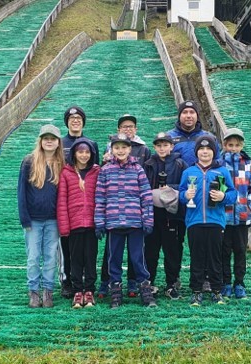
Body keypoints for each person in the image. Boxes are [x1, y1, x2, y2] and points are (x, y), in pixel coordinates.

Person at [95, 133, 156, 308]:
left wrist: (148, 220)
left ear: (130, 149)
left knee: (138, 258)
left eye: (124, 147)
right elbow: (100, 198)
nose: (120, 151)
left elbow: (146, 197)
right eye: (117, 147)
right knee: (114, 259)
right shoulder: (105, 171)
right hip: (114, 223)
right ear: (111, 150)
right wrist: (99, 222)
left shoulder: (138, 169)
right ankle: (115, 291)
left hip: (135, 223)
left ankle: (145, 289)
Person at [179, 135, 237, 306]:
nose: (205, 152)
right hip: (194, 221)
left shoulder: (222, 172)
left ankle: (216, 290)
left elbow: (233, 195)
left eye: (208, 149)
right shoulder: (189, 172)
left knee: (215, 257)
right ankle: (196, 291)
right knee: (197, 256)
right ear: (197, 152)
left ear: (214, 152)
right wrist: (185, 195)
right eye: (201, 149)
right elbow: (181, 194)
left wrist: (223, 196)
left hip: (215, 221)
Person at [17, 124, 65, 308]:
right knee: (33, 257)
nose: (49, 142)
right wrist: (25, 218)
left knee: (51, 257)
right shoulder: (29, 161)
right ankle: (34, 291)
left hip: (53, 220)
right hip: (33, 220)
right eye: (46, 138)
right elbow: (21, 192)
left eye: (52, 139)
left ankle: (48, 291)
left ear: (58, 142)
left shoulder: (62, 163)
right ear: (40, 141)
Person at [59, 105, 100, 299]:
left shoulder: (92, 143)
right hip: (69, 205)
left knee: (89, 253)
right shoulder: (60, 143)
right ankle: (69, 282)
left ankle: (89, 285)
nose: (75, 121)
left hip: (89, 214)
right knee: (69, 251)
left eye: (79, 119)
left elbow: (95, 174)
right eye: (72, 118)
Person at [143, 132, 188, 299]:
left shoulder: (180, 164)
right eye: (159, 145)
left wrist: (168, 188)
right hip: (153, 214)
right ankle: (150, 282)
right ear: (154, 147)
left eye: (165, 145)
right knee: (150, 250)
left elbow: (185, 186)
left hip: (173, 215)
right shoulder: (148, 164)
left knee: (173, 251)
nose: (162, 148)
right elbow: (143, 185)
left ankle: (172, 283)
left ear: (171, 146)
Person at [220, 128, 251, 300]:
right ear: (224, 145)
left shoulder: (249, 164)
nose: (233, 148)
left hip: (242, 217)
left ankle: (239, 283)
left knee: (240, 251)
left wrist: (248, 205)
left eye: (237, 145)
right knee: (223, 251)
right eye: (230, 145)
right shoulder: (219, 164)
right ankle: (225, 283)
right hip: (223, 217)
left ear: (241, 145)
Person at [166, 100, 220, 166]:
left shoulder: (209, 137)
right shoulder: (169, 137)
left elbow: (218, 161)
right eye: (185, 112)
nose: (188, 116)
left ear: (197, 116)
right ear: (179, 116)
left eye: (192, 112)